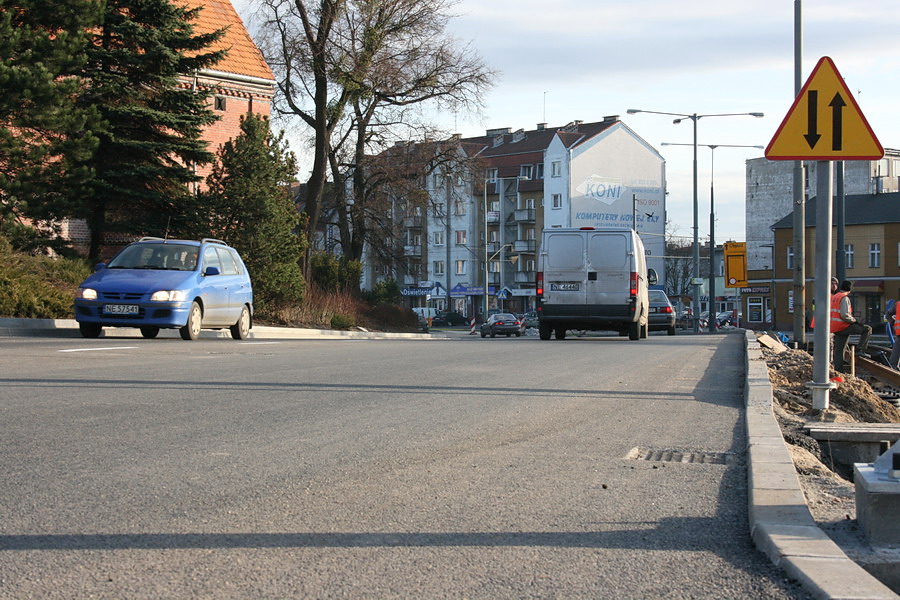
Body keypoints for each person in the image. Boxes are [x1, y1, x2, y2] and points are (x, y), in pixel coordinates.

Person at [831, 279, 872, 372]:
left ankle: (839, 370)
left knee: (839, 350)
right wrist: (855, 321)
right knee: (867, 329)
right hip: (843, 326)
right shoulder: (844, 298)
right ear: (849, 290)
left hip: (835, 327)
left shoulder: (835, 296)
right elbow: (844, 315)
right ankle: (860, 350)